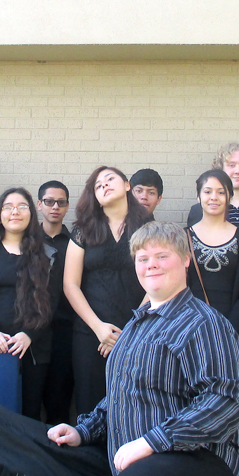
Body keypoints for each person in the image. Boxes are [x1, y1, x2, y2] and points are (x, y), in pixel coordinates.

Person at [47, 222, 239, 476]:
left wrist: (151, 442)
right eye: (143, 259)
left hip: (205, 460)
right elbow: (122, 395)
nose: (151, 265)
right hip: (145, 463)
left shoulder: (204, 323)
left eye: (162, 256)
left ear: (186, 260)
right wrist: (83, 431)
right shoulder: (135, 325)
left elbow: (222, 401)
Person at [0, 188, 61, 419]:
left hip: (31, 348)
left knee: (27, 415)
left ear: (31, 214)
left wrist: (28, 334)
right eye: (8, 207)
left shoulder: (48, 255)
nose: (14, 212)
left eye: (22, 206)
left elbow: (51, 301)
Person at [64, 166, 152, 414]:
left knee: (130, 408)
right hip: (90, 333)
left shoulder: (147, 228)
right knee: (90, 406)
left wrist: (130, 331)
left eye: (110, 179)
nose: (104, 185)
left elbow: (157, 280)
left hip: (137, 333)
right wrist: (98, 328)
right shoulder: (83, 230)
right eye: (98, 185)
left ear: (126, 185)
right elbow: (70, 284)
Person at [186, 170, 239, 360]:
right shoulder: (183, 238)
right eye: (207, 191)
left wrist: (226, 331)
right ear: (198, 196)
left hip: (232, 333)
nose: (214, 198)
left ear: (229, 197)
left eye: (221, 192)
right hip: (190, 332)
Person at [37, 180, 75, 424]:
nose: (55, 207)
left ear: (67, 206)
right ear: (39, 204)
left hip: (65, 331)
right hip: (31, 331)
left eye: (61, 203)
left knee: (59, 401)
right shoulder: (26, 241)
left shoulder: (75, 244)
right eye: (49, 202)